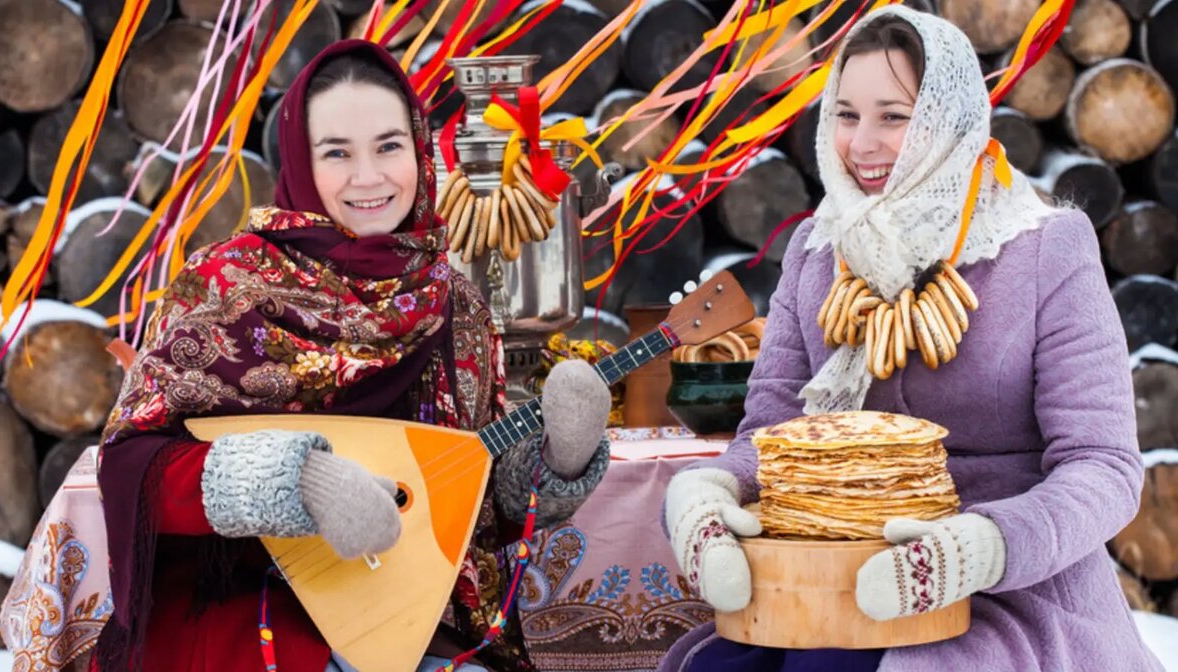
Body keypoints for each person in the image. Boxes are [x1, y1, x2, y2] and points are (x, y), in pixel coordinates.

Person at [658, 6, 1164, 672]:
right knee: (716, 668)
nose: (861, 144)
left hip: (1009, 590)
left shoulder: (1043, 248)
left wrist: (985, 544)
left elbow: (1104, 467)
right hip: (831, 573)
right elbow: (773, 437)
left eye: (893, 117)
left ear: (946, 120)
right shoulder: (819, 248)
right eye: (845, 114)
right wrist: (712, 491)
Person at [90, 39, 612, 672]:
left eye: (389, 146)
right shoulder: (228, 283)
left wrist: (558, 461)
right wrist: (295, 482)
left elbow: (454, 503)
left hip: (398, 615)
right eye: (337, 153)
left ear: (419, 151)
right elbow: (133, 467)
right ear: (301, 163)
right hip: (244, 618)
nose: (369, 177)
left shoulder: (456, 303)